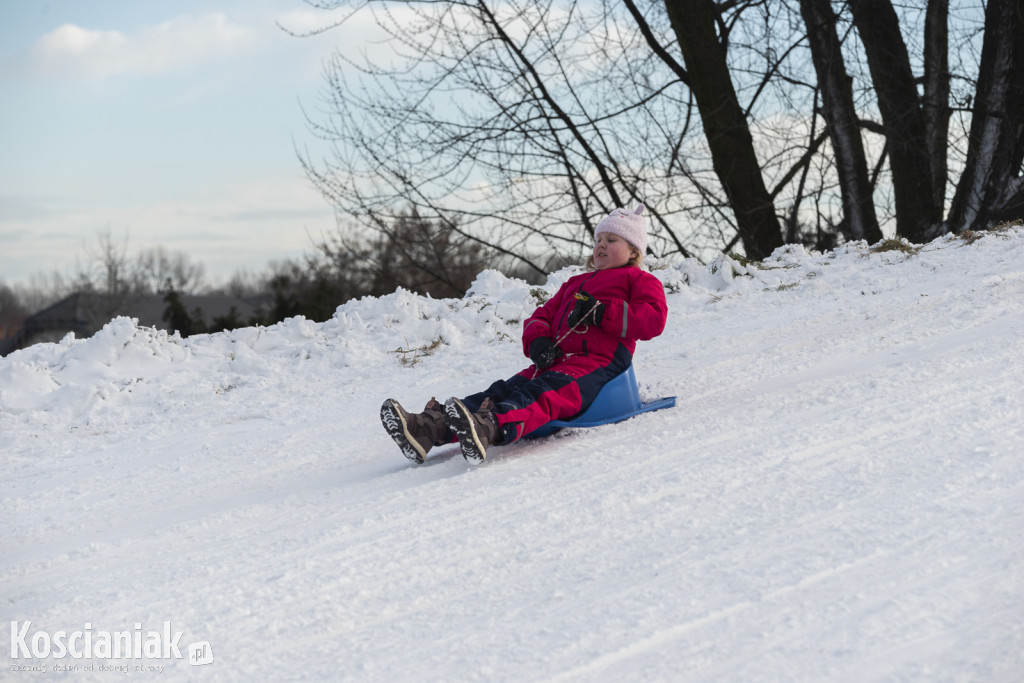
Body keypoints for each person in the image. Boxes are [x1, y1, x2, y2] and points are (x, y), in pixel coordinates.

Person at [380, 204, 668, 464]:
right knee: (503, 390)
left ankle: (488, 426)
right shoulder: (576, 283)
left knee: (542, 394)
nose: (601, 246)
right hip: (555, 360)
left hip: (597, 362)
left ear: (633, 251)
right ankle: (429, 428)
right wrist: (539, 341)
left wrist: (604, 312)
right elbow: (542, 314)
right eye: (598, 240)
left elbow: (653, 320)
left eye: (611, 240)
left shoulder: (640, 280)